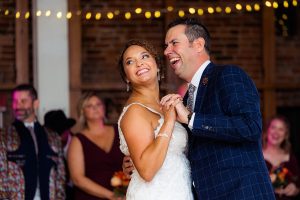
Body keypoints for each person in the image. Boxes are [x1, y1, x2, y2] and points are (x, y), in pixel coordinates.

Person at [118, 39, 193, 199]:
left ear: (157, 65)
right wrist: (168, 121)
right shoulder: (135, 111)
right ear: (126, 77)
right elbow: (147, 170)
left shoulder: (164, 106)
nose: (139, 63)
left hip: (179, 190)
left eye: (144, 56)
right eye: (130, 62)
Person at [0, 84, 65, 199]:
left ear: (35, 103)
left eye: (23, 101)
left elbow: (60, 176)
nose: (18, 106)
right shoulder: (4, 135)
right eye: (15, 101)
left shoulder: (52, 137)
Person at [67, 92, 124, 200]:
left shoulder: (119, 131)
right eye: (89, 106)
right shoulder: (78, 140)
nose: (95, 108)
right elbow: (77, 178)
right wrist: (111, 196)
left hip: (123, 194)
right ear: (82, 111)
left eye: (98, 104)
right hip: (90, 197)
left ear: (104, 107)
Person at [263, 115, 300, 199]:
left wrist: (295, 190)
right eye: (273, 127)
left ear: (286, 135)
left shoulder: (291, 159)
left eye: (281, 129)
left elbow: (298, 185)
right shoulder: (257, 157)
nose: (276, 132)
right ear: (267, 130)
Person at [44, 109, 76, 200]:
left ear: (68, 130)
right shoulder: (46, 146)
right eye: (51, 134)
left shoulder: (79, 145)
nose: (55, 137)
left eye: (58, 133)